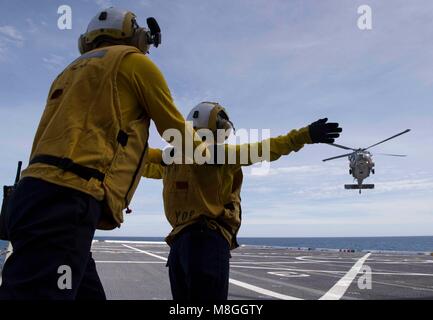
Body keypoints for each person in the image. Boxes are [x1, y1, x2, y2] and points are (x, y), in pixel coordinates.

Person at [0, 7, 202, 300]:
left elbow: (97, 139)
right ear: (134, 34)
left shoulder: (68, 72)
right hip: (67, 199)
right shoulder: (133, 63)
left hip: (32, 195)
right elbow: (177, 132)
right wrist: (209, 155)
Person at [142, 101, 342, 301]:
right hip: (207, 244)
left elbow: (142, 166)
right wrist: (305, 135)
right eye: (222, 128)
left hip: (179, 249)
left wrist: (122, 151)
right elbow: (267, 148)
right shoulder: (219, 155)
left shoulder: (170, 159)